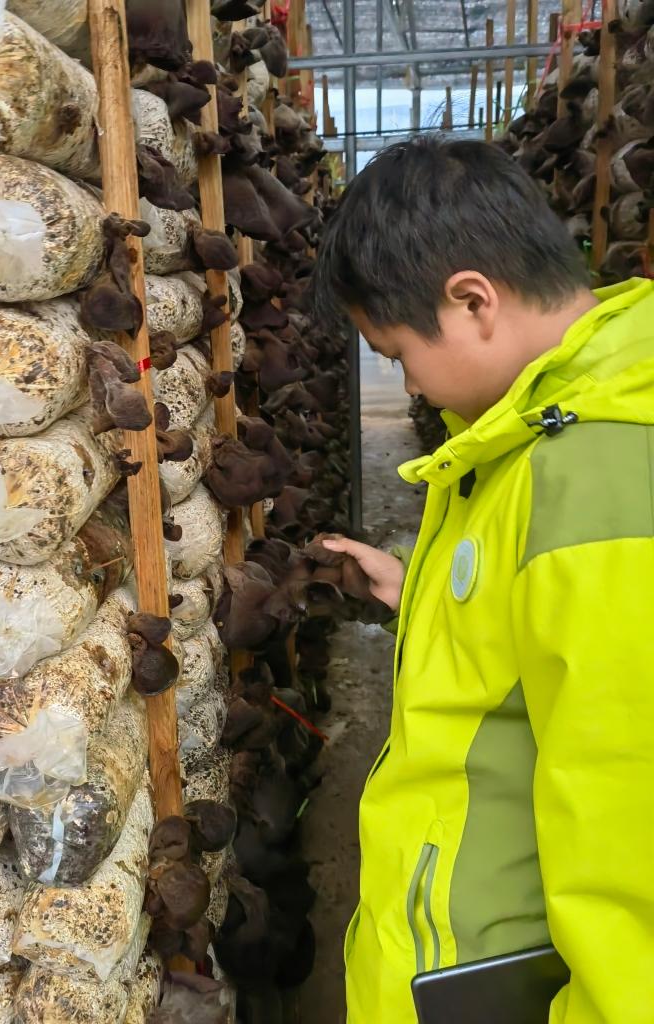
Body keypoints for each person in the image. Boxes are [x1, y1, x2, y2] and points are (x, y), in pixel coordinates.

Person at [312, 136, 654, 1024]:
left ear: (473, 301)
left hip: (495, 985)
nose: (407, 385)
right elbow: (541, 644)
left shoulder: (600, 478)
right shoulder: (533, 432)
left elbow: (632, 827)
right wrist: (422, 596)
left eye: (396, 353)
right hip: (462, 969)